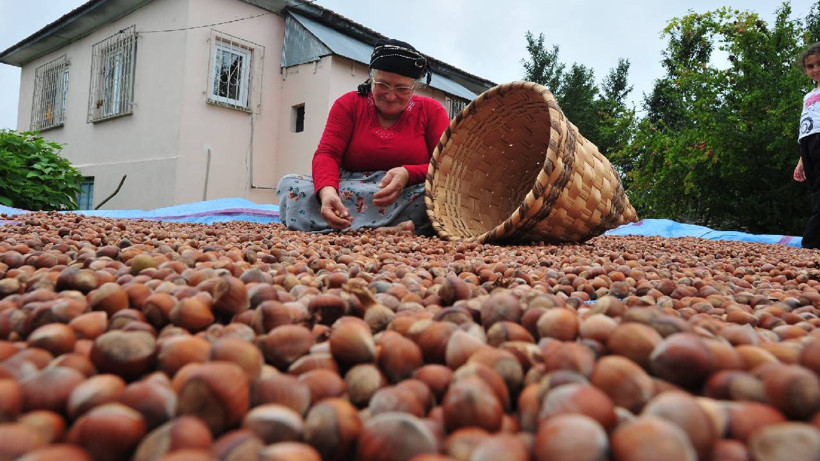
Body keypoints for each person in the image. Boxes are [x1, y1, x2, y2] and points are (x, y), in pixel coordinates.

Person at [276, 39, 450, 235]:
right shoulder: (348, 105)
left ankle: (349, 229)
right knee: (290, 185)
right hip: (351, 186)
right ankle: (390, 229)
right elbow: (327, 154)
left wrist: (408, 174)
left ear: (414, 87)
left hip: (406, 191)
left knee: (437, 198)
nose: (391, 96)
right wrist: (327, 193)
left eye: (401, 89)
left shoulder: (431, 111)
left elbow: (443, 166)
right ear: (371, 80)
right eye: (383, 85)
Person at [794, 42, 820, 249]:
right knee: (815, 190)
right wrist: (801, 160)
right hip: (808, 145)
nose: (816, 69)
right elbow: (806, 127)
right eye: (810, 66)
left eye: (819, 64)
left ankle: (812, 241)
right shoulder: (808, 96)